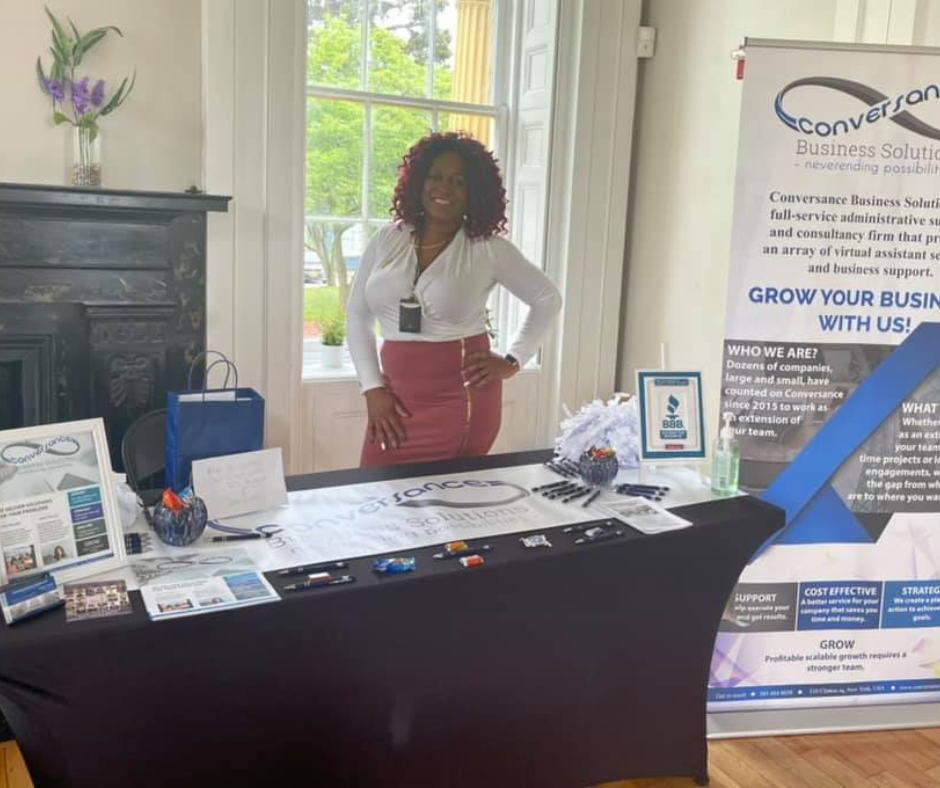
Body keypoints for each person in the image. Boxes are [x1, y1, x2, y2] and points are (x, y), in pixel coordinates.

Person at [347, 132, 562, 467]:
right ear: (418, 181)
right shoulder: (387, 239)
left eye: (458, 181)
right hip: (393, 400)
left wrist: (513, 360)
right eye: (435, 177)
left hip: (460, 404)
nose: (444, 188)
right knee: (372, 489)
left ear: (475, 192)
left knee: (450, 496)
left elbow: (547, 298)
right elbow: (358, 315)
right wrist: (372, 388)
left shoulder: (488, 249)